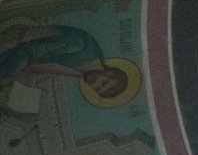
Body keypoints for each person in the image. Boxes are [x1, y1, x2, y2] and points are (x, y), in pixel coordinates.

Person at [0, 23, 130, 100]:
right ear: (110, 72)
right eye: (103, 82)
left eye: (97, 89)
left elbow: (41, 70)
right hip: (13, 43)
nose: (95, 84)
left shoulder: (80, 70)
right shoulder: (81, 47)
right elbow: (28, 51)